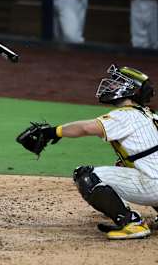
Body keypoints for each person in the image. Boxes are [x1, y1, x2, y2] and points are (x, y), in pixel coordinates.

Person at [17, 64, 158, 240]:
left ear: (130, 89)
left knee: (87, 176)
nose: (111, 85)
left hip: (154, 186)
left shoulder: (124, 115)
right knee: (127, 165)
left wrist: (53, 132)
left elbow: (86, 128)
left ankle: (132, 224)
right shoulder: (150, 115)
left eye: (117, 83)